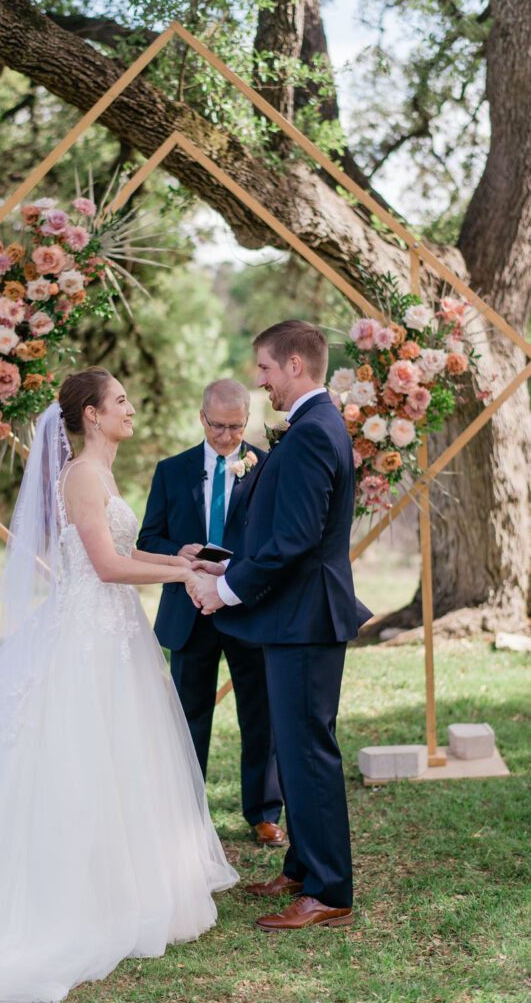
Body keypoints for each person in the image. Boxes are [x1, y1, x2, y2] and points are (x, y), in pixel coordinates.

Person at [0, 367, 237, 1003]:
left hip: (112, 633)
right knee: (77, 754)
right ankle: (73, 889)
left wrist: (180, 558)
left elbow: (116, 552)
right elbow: (107, 568)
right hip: (86, 636)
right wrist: (181, 580)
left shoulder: (101, 472)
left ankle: (125, 878)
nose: (130, 408)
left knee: (119, 757)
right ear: (91, 415)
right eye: (119, 401)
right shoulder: (83, 475)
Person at [188, 321, 372, 931]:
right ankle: (300, 868)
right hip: (294, 616)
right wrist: (231, 565)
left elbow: (295, 540)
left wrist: (226, 589)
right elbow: (284, 534)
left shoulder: (314, 433)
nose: (259, 381)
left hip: (306, 618)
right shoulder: (314, 427)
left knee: (308, 751)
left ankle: (329, 891)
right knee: (294, 750)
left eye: (264, 369)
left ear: (294, 365)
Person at [138, 379, 284, 846]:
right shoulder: (171, 470)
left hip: (247, 608)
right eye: (218, 426)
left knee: (258, 715)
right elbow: (147, 541)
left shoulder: (267, 467)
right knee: (188, 715)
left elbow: (276, 540)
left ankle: (263, 812)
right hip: (190, 609)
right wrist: (176, 552)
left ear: (247, 420)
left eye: (236, 427)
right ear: (202, 418)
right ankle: (186, 813)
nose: (226, 437)